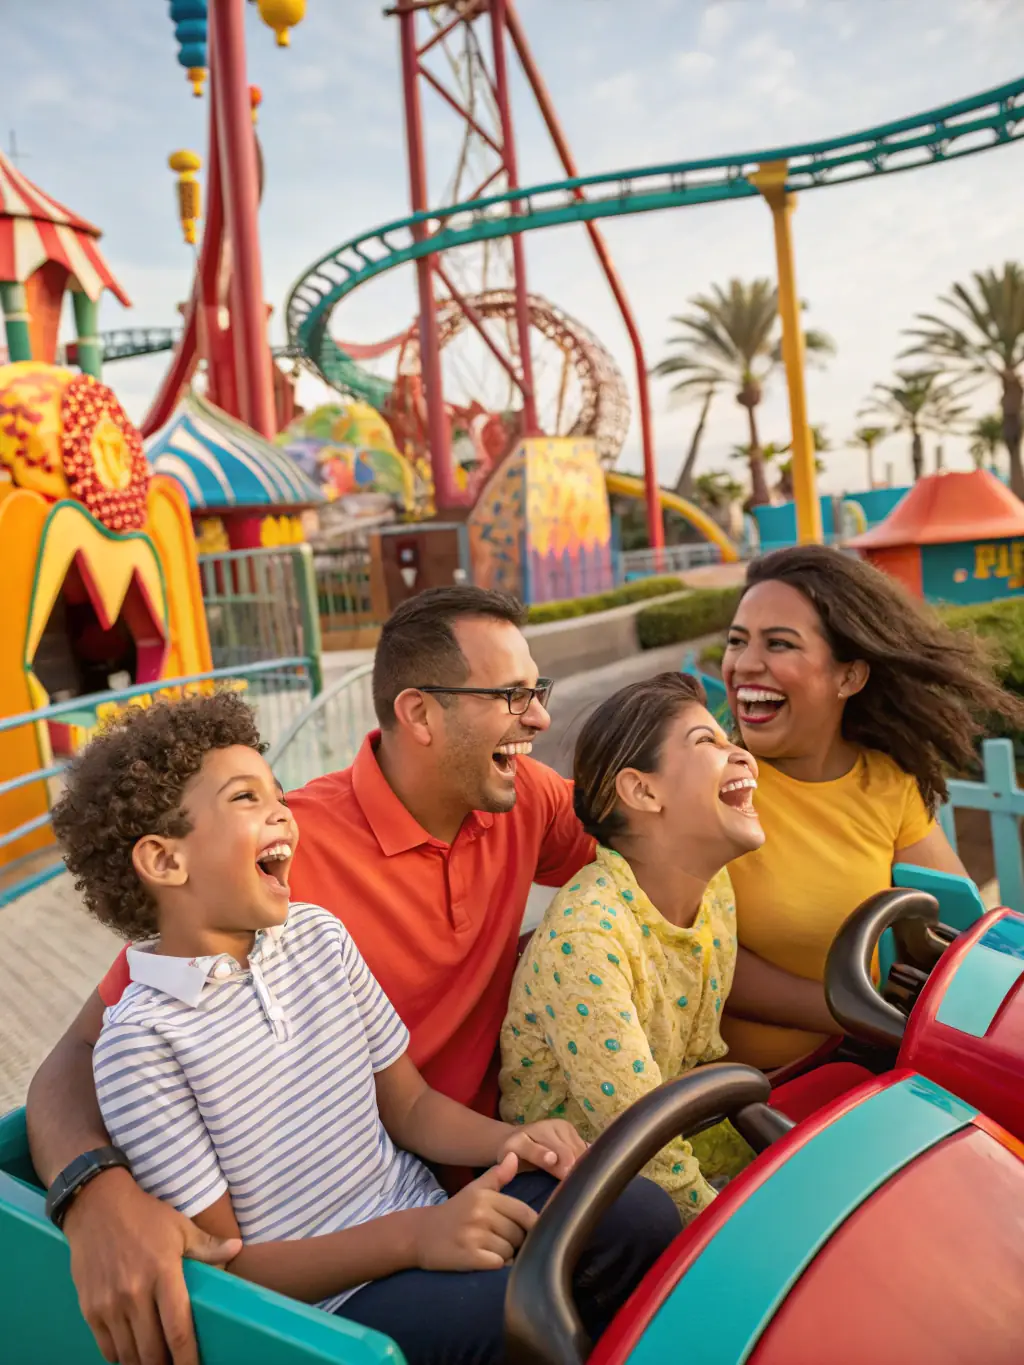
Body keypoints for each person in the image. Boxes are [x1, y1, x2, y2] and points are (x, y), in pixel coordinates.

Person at [26, 586, 597, 1365]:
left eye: (537, 692)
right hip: (359, 1268)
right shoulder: (262, 894)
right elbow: (82, 1057)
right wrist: (93, 1193)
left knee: (633, 1217)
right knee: (533, 1319)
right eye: (511, 695)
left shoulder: (317, 929)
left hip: (436, 1184)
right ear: (421, 714)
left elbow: (652, 839)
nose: (538, 718)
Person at [498, 672, 836, 1215]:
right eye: (708, 742)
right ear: (643, 790)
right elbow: (645, 1146)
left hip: (673, 1139)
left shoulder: (714, 893)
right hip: (578, 1192)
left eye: (728, 738)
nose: (741, 754)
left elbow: (694, 1075)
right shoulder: (587, 938)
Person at [719, 544, 1024, 1072]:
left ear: (849, 677)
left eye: (779, 644)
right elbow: (699, 958)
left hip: (868, 1072)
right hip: (743, 1097)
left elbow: (956, 928)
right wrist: (860, 1012)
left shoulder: (884, 782)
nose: (747, 664)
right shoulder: (708, 781)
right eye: (737, 641)